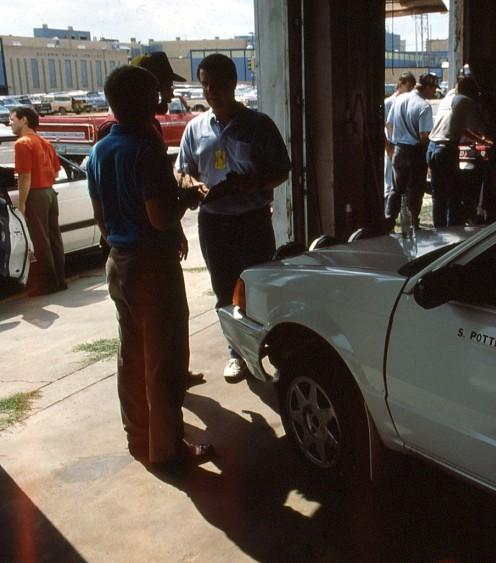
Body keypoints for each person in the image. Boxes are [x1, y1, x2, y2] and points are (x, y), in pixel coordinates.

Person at [87, 65, 211, 466]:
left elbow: (102, 222)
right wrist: (190, 198)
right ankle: (168, 450)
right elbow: (160, 217)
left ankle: (139, 439)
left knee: (131, 358)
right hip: (151, 267)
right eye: (158, 93)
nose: (164, 99)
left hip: (119, 262)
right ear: (147, 101)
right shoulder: (146, 149)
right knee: (162, 362)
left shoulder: (100, 150)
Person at [177, 54, 291, 382]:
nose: (212, 91)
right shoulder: (195, 128)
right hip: (213, 223)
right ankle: (236, 353)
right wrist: (190, 183)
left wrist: (250, 183)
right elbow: (182, 169)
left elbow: (282, 170)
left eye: (219, 84)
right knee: (224, 291)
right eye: (205, 84)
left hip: (252, 220)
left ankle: (273, 351)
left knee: (259, 288)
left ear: (233, 84)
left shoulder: (259, 125)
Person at [10, 106, 65, 296]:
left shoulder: (22, 143)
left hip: (36, 194)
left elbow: (25, 176)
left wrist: (22, 204)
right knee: (54, 238)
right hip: (50, 192)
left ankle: (48, 284)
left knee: (40, 241)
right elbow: (57, 171)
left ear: (24, 120)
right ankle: (60, 279)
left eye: (12, 119)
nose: (10, 122)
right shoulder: (45, 142)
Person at [426, 75, 490, 227]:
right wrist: (490, 138)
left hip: (432, 147)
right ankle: (453, 233)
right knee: (454, 195)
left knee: (438, 195)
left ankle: (439, 230)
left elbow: (457, 125)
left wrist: (478, 140)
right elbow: (480, 126)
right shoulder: (467, 101)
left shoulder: (448, 98)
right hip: (446, 151)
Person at [385, 72, 438, 228]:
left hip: (399, 150)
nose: (434, 92)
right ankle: (411, 223)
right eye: (433, 88)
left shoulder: (400, 99)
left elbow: (389, 124)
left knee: (396, 189)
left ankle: (389, 220)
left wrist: (394, 142)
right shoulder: (424, 106)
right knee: (414, 190)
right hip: (415, 152)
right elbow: (423, 136)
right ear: (427, 87)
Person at [384, 72, 416, 213]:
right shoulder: (389, 102)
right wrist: (388, 147)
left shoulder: (407, 101)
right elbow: (385, 126)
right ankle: (388, 213)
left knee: (402, 184)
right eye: (408, 86)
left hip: (401, 146)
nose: (410, 90)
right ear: (401, 83)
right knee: (390, 184)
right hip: (392, 145)